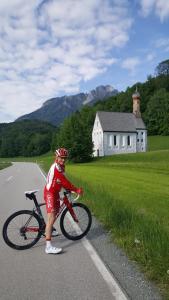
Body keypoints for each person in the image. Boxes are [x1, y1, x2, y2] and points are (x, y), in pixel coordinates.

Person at [44, 147, 83, 254]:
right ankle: (48, 246)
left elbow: (62, 181)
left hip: (55, 192)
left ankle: (49, 229)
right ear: (56, 157)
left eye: (65, 158)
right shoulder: (56, 168)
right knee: (51, 218)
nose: (63, 160)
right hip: (50, 193)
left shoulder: (61, 166)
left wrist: (68, 189)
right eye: (61, 158)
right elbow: (65, 182)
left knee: (55, 212)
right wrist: (76, 189)